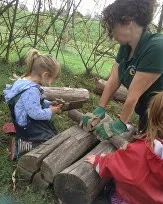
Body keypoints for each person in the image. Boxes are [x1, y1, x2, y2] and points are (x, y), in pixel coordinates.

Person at [81, 0, 163, 139]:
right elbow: (114, 80)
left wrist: (121, 123)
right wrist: (100, 108)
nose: (111, 33)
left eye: (113, 27)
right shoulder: (127, 46)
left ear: (128, 22)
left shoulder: (157, 47)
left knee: (153, 151)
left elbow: (133, 95)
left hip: (159, 115)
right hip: (147, 109)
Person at [85, 91, 163, 204]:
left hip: (129, 199)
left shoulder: (143, 148)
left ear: (153, 118)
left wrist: (99, 161)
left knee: (110, 185)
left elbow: (118, 163)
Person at [4, 49, 62, 159]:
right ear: (45, 75)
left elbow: (32, 103)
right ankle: (20, 147)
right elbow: (35, 114)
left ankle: (21, 139)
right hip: (27, 125)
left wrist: (48, 103)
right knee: (50, 140)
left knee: (50, 132)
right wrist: (50, 111)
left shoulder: (23, 81)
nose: (52, 82)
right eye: (52, 78)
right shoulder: (32, 90)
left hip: (20, 119)